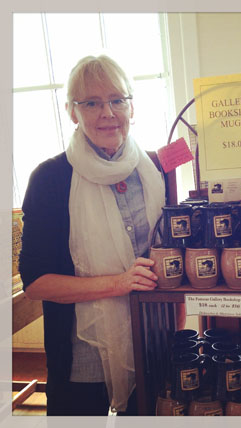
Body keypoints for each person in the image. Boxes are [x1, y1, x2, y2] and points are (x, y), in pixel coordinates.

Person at [19, 54, 167, 416]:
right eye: (92, 102)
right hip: (80, 360)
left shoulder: (157, 168)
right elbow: (36, 283)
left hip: (151, 345)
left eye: (118, 100)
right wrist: (120, 282)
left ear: (132, 107)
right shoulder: (49, 179)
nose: (108, 112)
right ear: (73, 111)